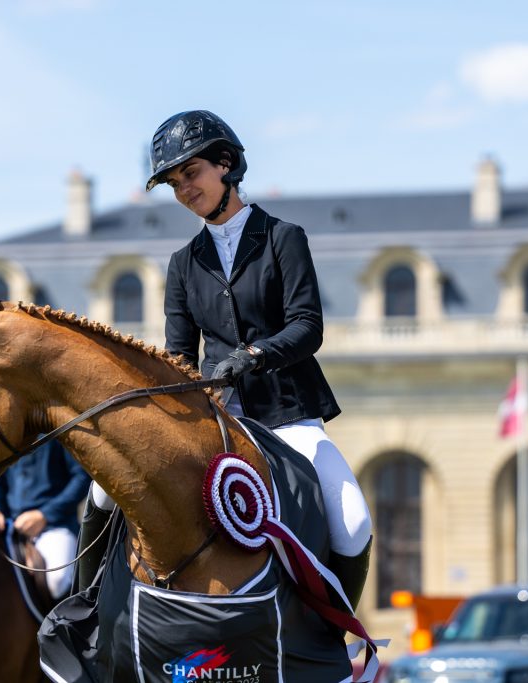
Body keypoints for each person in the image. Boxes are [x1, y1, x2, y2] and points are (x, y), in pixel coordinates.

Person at [146, 109, 373, 608]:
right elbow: (180, 354)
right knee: (104, 496)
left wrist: (253, 356)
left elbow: (307, 327)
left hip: (288, 414)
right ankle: (88, 618)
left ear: (225, 164)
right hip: (217, 416)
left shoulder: (282, 238)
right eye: (173, 183)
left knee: (353, 521)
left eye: (191, 174)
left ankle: (334, 633)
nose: (183, 190)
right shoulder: (183, 264)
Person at [0, 438, 90, 600]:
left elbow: (82, 477)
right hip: (10, 527)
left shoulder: (58, 433)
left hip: (55, 525)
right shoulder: (6, 435)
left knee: (57, 579)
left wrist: (45, 515)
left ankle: (62, 624)